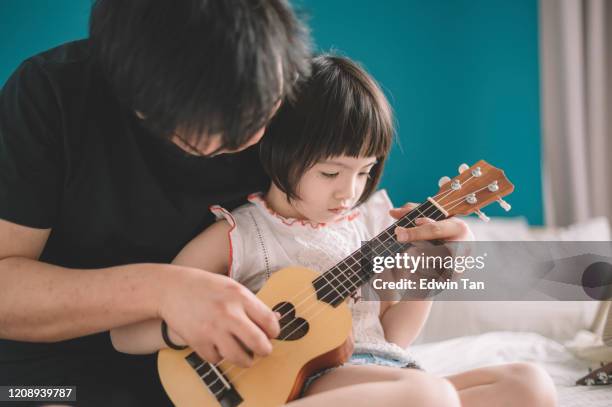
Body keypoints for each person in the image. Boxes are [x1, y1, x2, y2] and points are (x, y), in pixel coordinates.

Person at [112, 55, 558, 407]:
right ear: (280, 151)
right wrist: (198, 327)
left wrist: (431, 276)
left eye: (365, 172)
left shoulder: (371, 222)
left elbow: (393, 337)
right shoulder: (241, 236)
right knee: (428, 396)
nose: (350, 191)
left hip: (386, 374)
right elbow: (126, 333)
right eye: (330, 173)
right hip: (304, 388)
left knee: (529, 384)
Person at [0, 1, 310, 405]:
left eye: (261, 113)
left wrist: (416, 270)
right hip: (48, 374)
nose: (246, 140)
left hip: (226, 370)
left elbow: (341, 234)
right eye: (214, 128)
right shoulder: (51, 92)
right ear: (133, 98)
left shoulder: (304, 94)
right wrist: (164, 290)